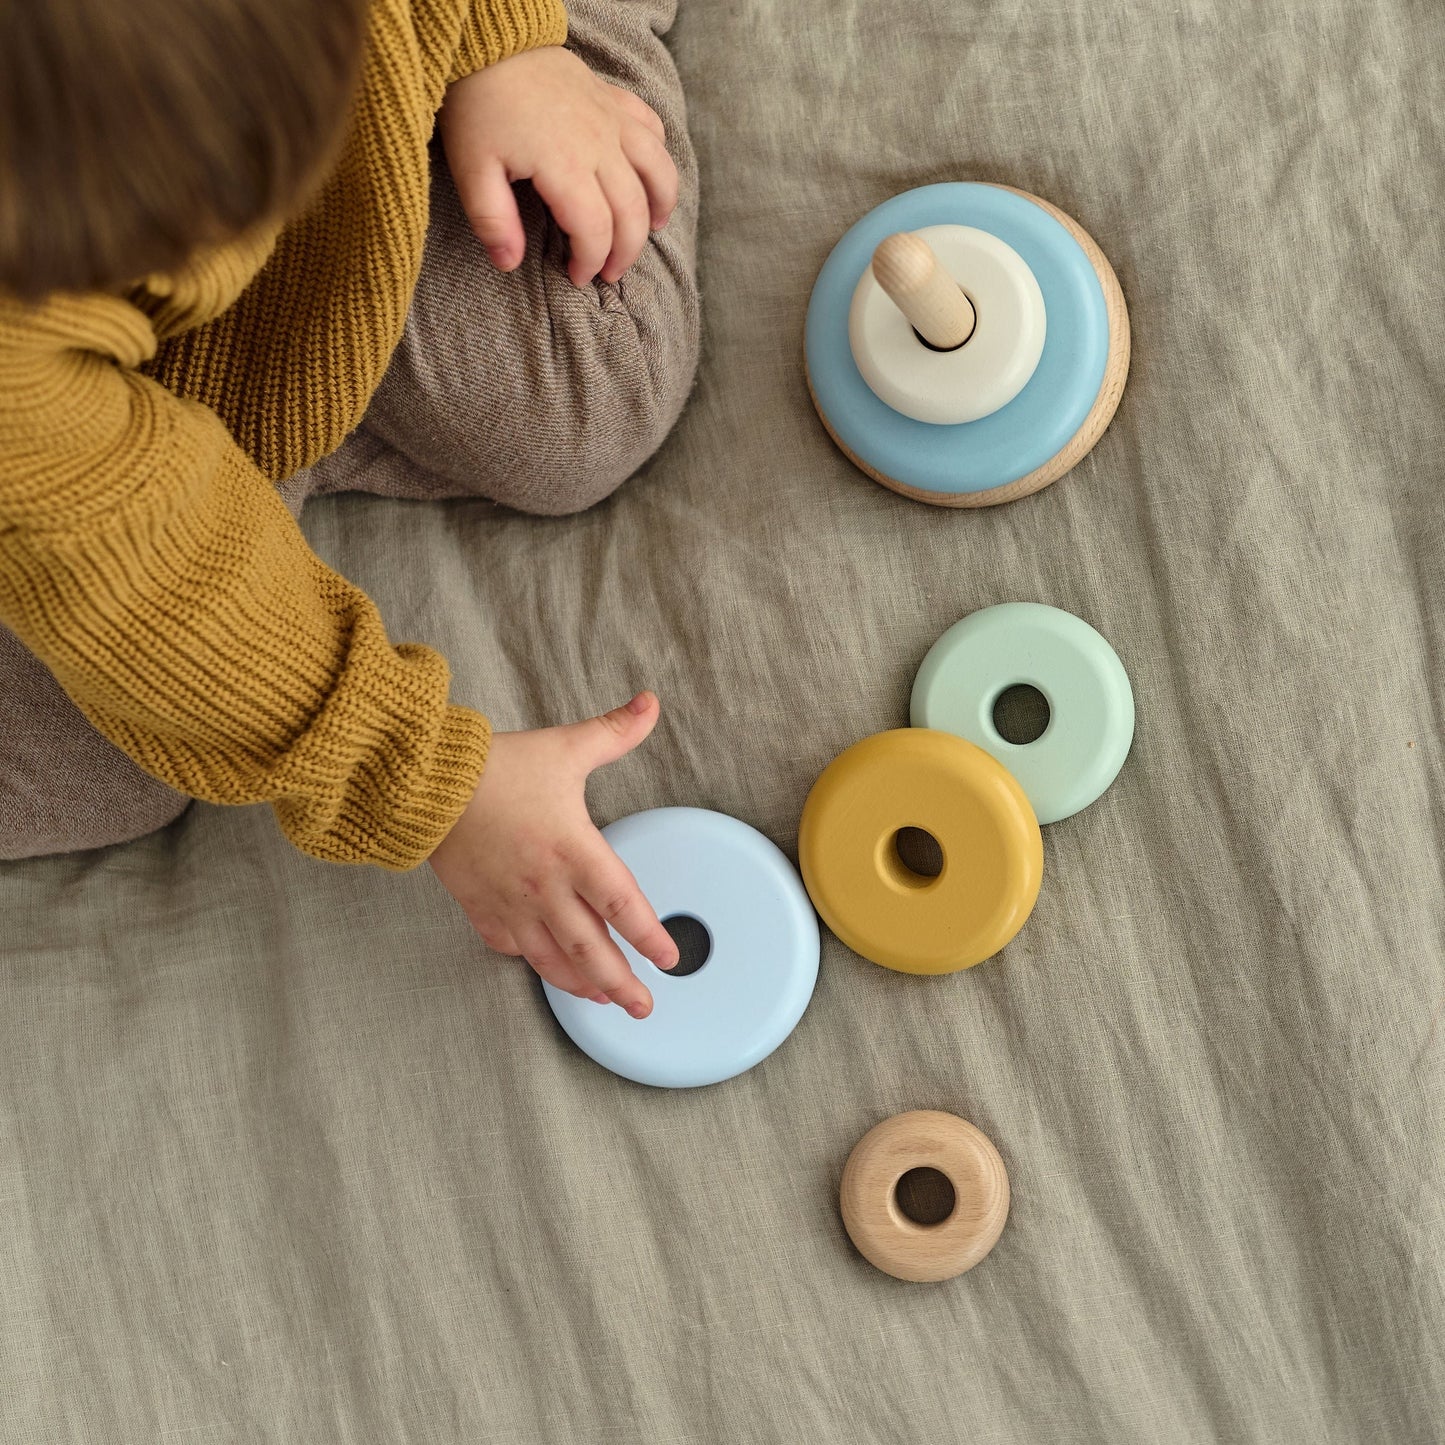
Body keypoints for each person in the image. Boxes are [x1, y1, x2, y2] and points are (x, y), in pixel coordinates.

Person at [0, 0, 702, 1016]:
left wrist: (506, 43)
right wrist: (420, 777)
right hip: (78, 412)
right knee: (99, 761)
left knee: (587, 399)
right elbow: (132, 563)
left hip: (382, 110)